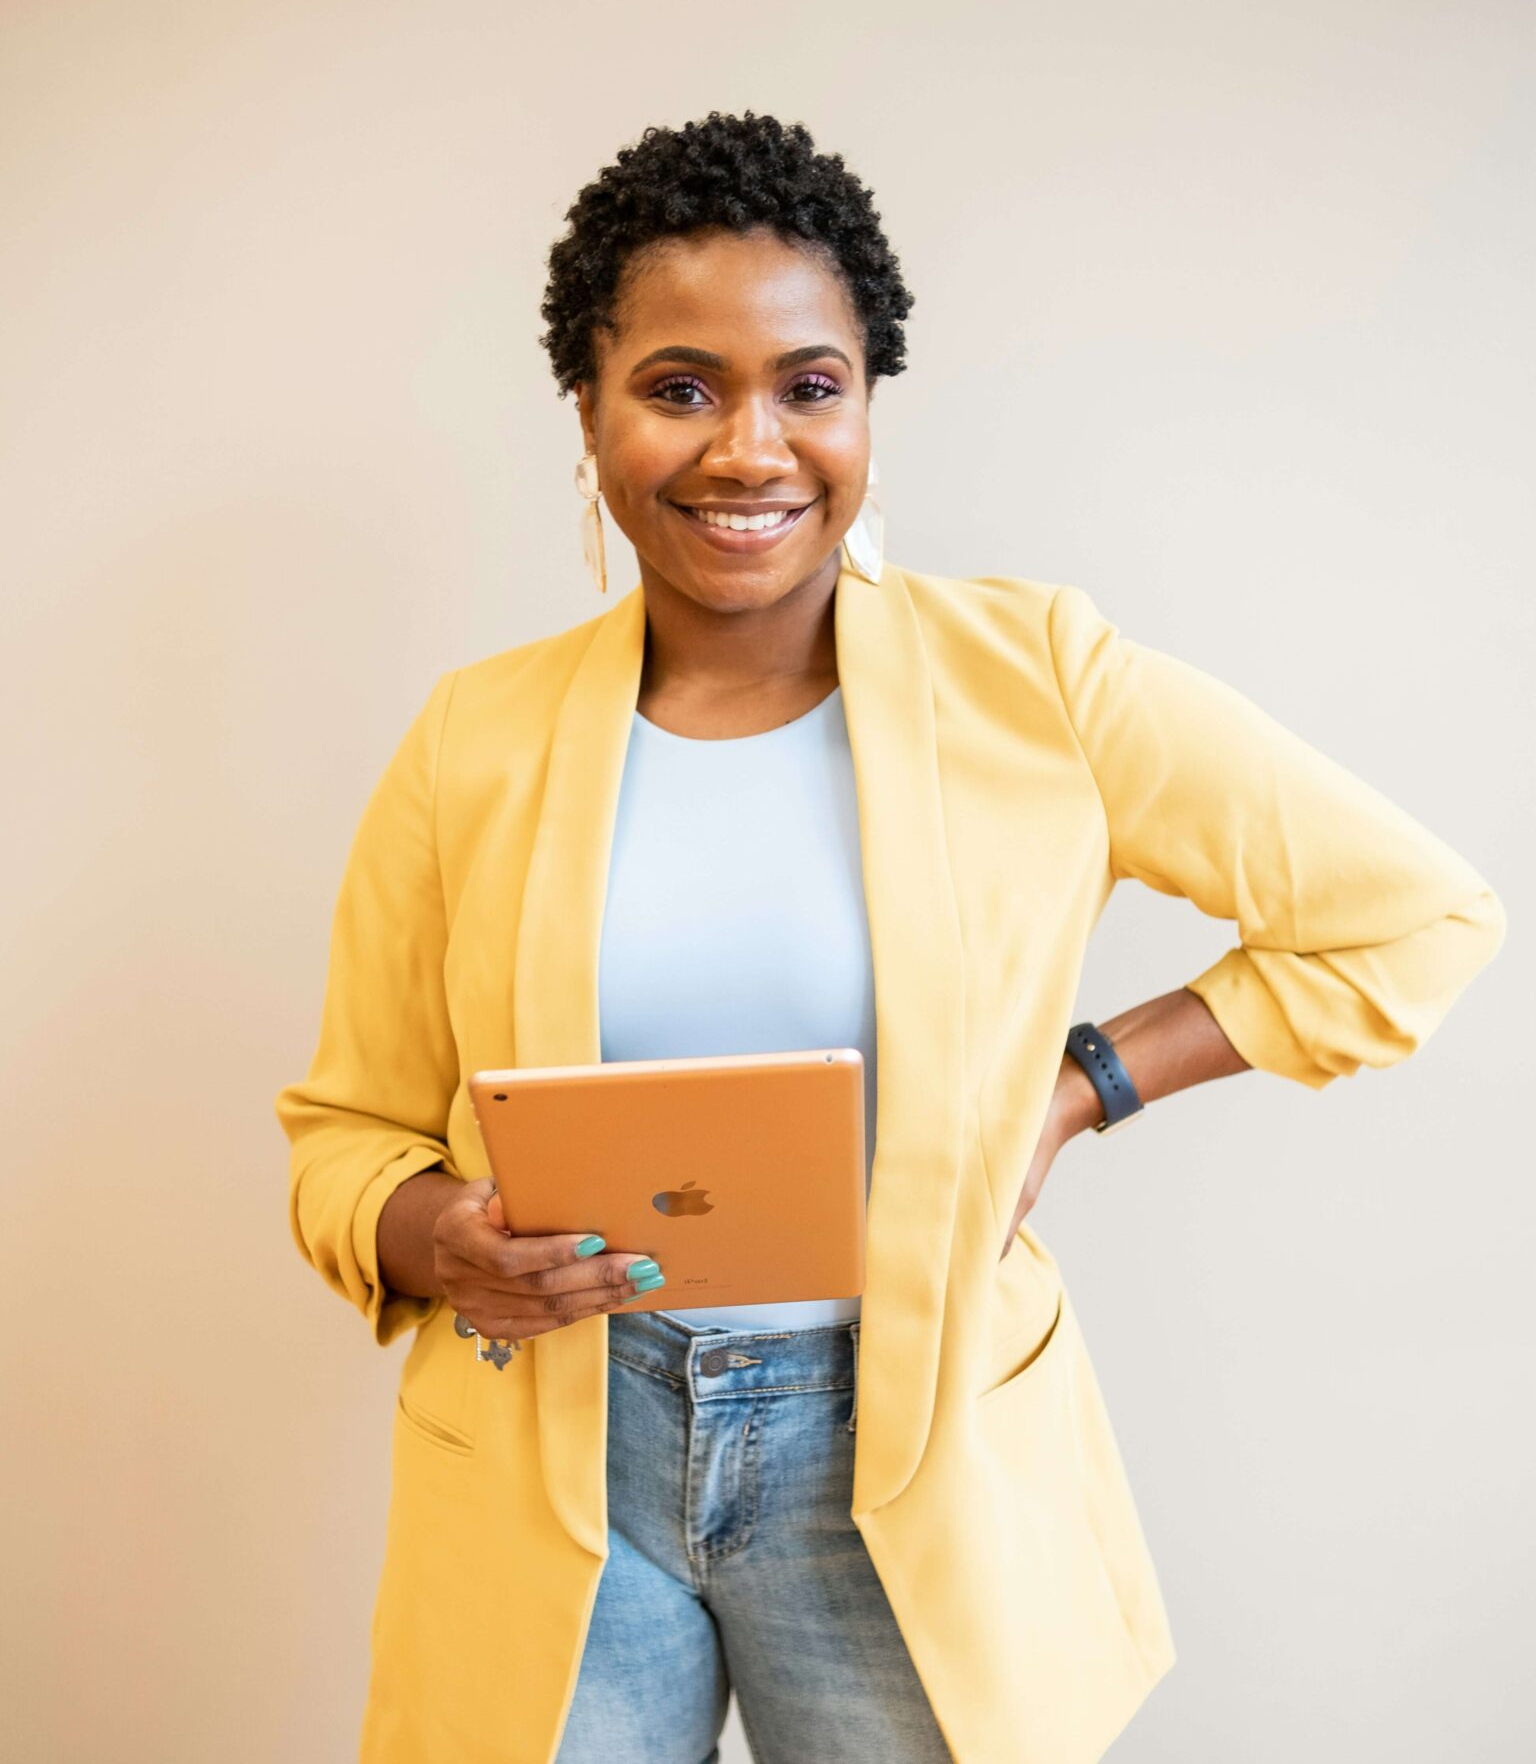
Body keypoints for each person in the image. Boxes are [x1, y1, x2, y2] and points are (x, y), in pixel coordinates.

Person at [275, 111, 1507, 1764]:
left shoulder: (1038, 680)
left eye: (809, 384)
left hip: (907, 1461)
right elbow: (343, 1134)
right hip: (561, 1453)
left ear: (867, 405)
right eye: (681, 386)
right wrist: (436, 1238)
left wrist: (1079, 1089)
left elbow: (1411, 916)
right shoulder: (472, 741)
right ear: (590, 408)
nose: (750, 450)